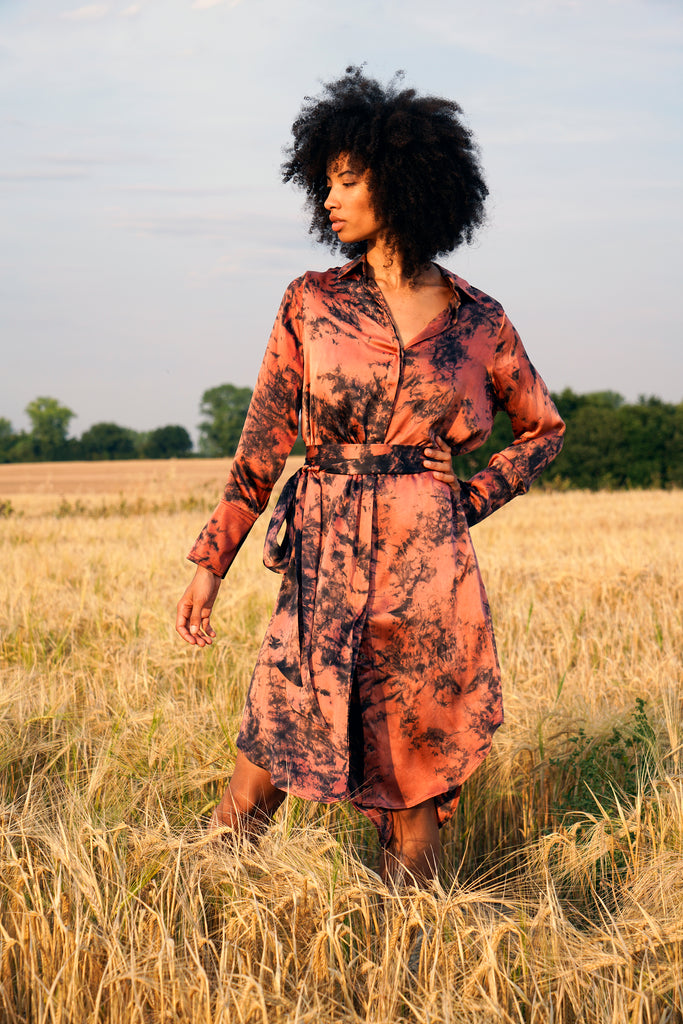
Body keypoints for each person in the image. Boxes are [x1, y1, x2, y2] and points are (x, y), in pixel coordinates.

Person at [176, 68, 565, 888]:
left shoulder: (477, 320)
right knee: (266, 750)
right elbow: (262, 442)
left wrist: (466, 498)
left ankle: (410, 972)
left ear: (401, 183)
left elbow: (541, 430)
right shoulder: (310, 303)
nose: (329, 199)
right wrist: (212, 563)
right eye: (325, 182)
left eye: (346, 182)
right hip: (324, 554)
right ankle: (191, 912)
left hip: (428, 571)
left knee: (413, 777)